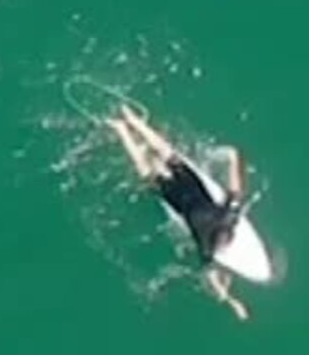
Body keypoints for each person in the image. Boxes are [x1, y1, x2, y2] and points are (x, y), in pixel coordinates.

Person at [105, 104, 251, 321]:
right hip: (179, 202)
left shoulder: (229, 216)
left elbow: (235, 187)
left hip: (192, 187)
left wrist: (233, 159)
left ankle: (132, 120)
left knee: (167, 153)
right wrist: (232, 301)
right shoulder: (207, 251)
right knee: (148, 174)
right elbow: (214, 284)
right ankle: (121, 130)